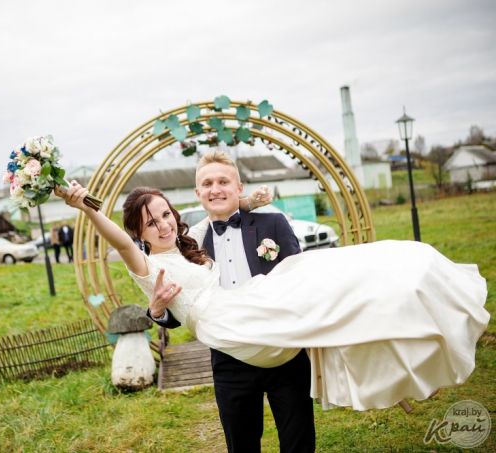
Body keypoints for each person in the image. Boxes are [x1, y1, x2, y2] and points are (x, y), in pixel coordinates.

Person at [54, 178, 488, 452]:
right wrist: (86, 207)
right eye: (151, 223)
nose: (163, 225)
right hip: (228, 329)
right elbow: (118, 239)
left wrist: (248, 199)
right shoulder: (144, 263)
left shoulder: (192, 239)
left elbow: (223, 209)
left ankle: (405, 298)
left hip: (249, 305)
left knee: (321, 282)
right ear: (138, 231)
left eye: (166, 214)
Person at [148, 151, 314, 453]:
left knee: (298, 441)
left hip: (284, 350)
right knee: (241, 446)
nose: (215, 189)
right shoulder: (188, 248)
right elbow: (178, 310)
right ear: (198, 193)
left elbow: (301, 280)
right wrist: (157, 310)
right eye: (207, 183)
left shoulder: (273, 223)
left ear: (239, 187)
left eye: (223, 181)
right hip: (229, 359)